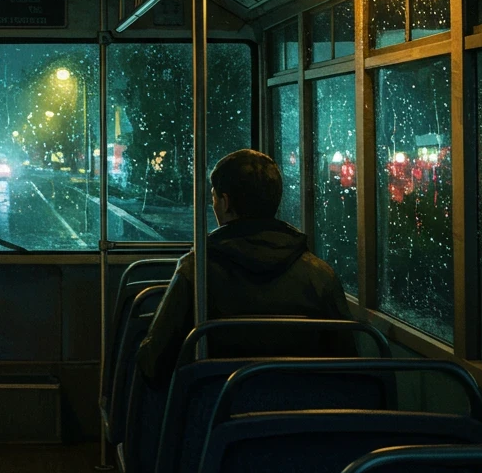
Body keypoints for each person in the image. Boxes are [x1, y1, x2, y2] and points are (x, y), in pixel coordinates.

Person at [135, 149, 355, 387]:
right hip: (302, 416)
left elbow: (154, 364)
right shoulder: (319, 274)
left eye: (214, 199)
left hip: (212, 415)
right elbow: (348, 364)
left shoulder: (197, 271)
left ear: (226, 203)